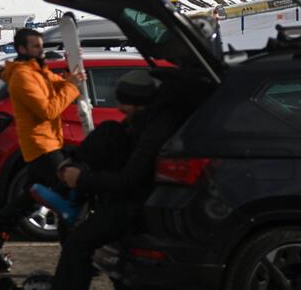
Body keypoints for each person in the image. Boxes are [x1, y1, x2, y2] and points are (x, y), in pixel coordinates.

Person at [39, 70, 205, 290]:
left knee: (78, 243)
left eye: (123, 102)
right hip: (127, 195)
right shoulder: (142, 122)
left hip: (136, 204)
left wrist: (83, 179)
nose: (119, 108)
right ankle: (69, 196)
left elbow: (129, 180)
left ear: (139, 103)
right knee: (108, 131)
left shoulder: (155, 130)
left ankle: (71, 196)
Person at [0, 28, 82, 272]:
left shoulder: (37, 71)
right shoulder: (23, 76)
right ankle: (74, 260)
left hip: (48, 143)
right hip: (41, 146)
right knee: (67, 201)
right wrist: (72, 88)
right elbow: (47, 110)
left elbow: (60, 86)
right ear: (21, 48)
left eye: (40, 46)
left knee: (26, 203)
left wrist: (72, 72)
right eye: (35, 47)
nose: (40, 50)